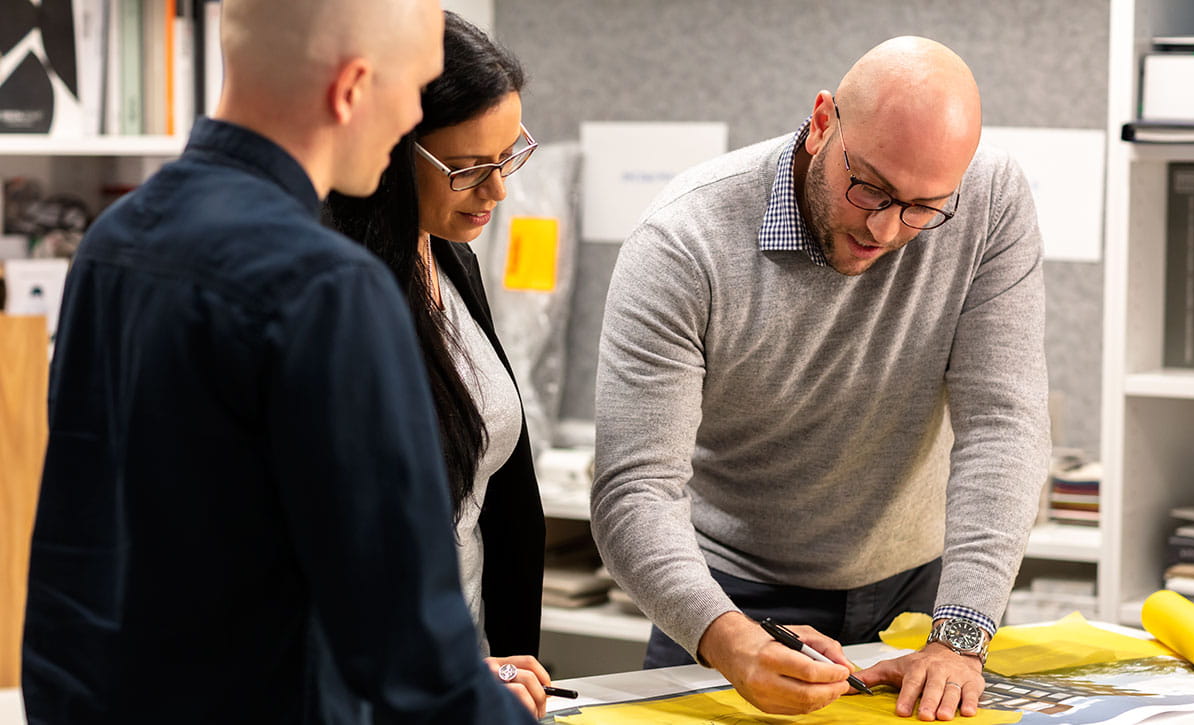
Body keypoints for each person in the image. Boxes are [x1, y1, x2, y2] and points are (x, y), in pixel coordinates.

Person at [21, 1, 537, 723]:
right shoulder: (323, 283)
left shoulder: (116, 239)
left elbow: (84, 539)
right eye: (411, 89)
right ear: (354, 87)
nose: (402, 128)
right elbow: (401, 634)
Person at [591, 35, 1050, 721]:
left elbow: (1003, 422)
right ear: (820, 122)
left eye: (924, 207)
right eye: (868, 187)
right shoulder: (684, 240)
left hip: (924, 592)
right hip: (734, 593)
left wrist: (958, 634)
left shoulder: (988, 199)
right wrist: (726, 635)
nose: (888, 228)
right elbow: (634, 486)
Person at [322, 11, 552, 718]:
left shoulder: (450, 256)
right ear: (390, 150)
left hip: (465, 669)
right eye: (468, 167)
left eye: (508, 155)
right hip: (381, 683)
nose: (497, 191)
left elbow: (494, 504)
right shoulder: (335, 292)